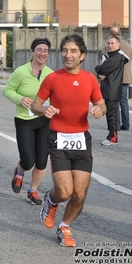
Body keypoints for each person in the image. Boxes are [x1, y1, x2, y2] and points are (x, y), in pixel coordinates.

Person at [31, 34, 106, 247]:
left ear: (82, 56)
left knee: (80, 193)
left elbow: (102, 104)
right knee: (64, 191)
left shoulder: (90, 79)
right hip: (59, 139)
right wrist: (45, 109)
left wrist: (99, 109)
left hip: (82, 139)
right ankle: (51, 200)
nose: (68, 54)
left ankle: (64, 226)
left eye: (73, 51)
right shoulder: (52, 78)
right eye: (65, 50)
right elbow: (34, 105)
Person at [3, 38, 53, 205]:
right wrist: (20, 98)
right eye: (39, 50)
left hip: (44, 120)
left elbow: (57, 96)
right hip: (24, 119)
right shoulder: (21, 71)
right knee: (27, 159)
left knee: (41, 160)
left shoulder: (51, 74)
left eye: (45, 50)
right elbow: (7, 90)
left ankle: (33, 190)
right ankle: (19, 171)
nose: (42, 53)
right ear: (32, 52)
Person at [95, 35, 129, 146]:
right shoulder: (111, 55)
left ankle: (112, 137)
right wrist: (99, 73)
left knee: (112, 114)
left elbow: (103, 68)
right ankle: (111, 135)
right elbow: (102, 69)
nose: (110, 45)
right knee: (110, 113)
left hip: (112, 89)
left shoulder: (118, 57)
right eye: (108, 43)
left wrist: (98, 69)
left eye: (112, 43)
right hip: (108, 88)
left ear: (118, 44)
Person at [110, 27, 132, 131]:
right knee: (124, 100)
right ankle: (126, 124)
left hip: (116, 76)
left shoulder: (112, 45)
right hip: (126, 76)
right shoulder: (128, 45)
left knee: (115, 101)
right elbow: (131, 58)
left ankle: (117, 124)